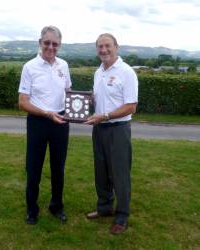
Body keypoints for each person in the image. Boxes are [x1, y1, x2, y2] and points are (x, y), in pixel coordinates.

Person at [85, 33, 138, 235]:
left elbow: (131, 106)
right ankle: (105, 208)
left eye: (107, 46)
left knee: (120, 174)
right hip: (99, 129)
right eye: (100, 47)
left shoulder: (126, 72)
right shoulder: (99, 72)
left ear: (117, 47)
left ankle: (122, 216)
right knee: (101, 172)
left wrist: (105, 116)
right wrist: (90, 102)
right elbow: (101, 100)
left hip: (118, 129)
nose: (103, 50)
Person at [18, 25, 72, 225]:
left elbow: (69, 92)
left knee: (58, 168)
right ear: (40, 43)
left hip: (61, 122)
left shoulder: (64, 65)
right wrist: (46, 114)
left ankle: (56, 206)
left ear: (60, 45)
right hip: (38, 122)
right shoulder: (29, 66)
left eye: (55, 44)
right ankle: (32, 210)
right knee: (34, 168)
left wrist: (82, 103)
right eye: (47, 43)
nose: (51, 47)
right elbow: (23, 102)